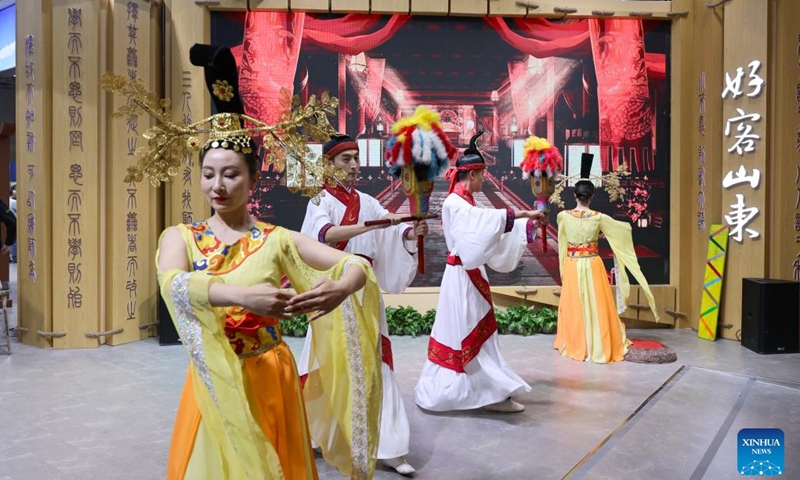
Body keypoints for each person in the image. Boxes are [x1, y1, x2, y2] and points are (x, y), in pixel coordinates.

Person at [109, 44, 384, 480]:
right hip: (214, 379)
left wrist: (344, 286)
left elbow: (355, 267)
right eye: (208, 174)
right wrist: (241, 296)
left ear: (254, 178)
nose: (218, 185)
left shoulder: (277, 240)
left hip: (271, 375)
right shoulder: (181, 238)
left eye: (231, 173)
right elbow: (174, 285)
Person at [298, 133, 427, 476]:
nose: (354, 165)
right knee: (327, 365)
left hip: (365, 291)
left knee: (375, 364)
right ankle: (319, 432)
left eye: (356, 158)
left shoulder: (368, 201)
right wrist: (371, 225)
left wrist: (410, 234)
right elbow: (323, 236)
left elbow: (390, 233)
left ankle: (389, 445)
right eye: (345, 159)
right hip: (332, 290)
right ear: (329, 164)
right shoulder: (319, 201)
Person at [414, 132, 546, 414]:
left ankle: (491, 391)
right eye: (482, 175)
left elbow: (490, 226)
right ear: (471, 174)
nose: (484, 179)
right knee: (462, 331)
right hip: (460, 278)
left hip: (471, 276)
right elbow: (487, 222)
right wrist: (522, 215)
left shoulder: (468, 202)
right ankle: (469, 391)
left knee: (482, 334)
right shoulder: (454, 203)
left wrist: (526, 223)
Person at [553, 153, 660, 363]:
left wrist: (564, 267)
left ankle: (574, 341)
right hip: (593, 263)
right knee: (597, 303)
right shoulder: (599, 218)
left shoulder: (563, 216)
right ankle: (598, 342)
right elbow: (623, 229)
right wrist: (601, 234)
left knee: (575, 303)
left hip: (573, 264)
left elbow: (562, 244)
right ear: (591, 196)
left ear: (574, 195)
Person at [8, 184, 16, 262]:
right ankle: (14, 256)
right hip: (13, 222)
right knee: (14, 241)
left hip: (7, 223)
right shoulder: (13, 202)